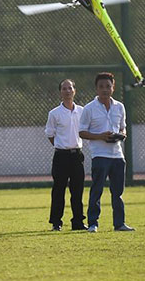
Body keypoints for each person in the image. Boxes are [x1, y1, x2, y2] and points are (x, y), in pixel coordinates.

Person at [79, 72, 135, 232]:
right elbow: (81, 132)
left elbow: (123, 127)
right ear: (96, 89)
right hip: (100, 156)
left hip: (117, 155)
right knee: (96, 190)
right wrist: (100, 137)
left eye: (108, 86)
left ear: (113, 87)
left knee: (118, 192)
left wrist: (122, 134)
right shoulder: (89, 108)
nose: (105, 90)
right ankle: (93, 223)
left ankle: (119, 223)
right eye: (101, 87)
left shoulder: (119, 107)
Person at [44, 79, 87, 231]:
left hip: (77, 155)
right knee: (59, 190)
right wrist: (61, 146)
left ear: (74, 91)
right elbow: (50, 134)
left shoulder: (82, 111)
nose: (67, 91)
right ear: (60, 92)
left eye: (70, 88)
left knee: (77, 190)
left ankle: (78, 222)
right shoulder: (54, 113)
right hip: (61, 156)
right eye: (64, 88)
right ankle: (56, 222)